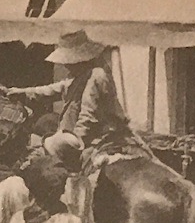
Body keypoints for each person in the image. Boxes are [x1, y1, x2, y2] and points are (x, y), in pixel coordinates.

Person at [8, 30, 145, 163]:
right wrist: (22, 92)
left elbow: (88, 116)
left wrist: (73, 144)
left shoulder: (95, 76)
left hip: (97, 137)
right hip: (78, 134)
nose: (65, 65)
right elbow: (53, 89)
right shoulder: (78, 75)